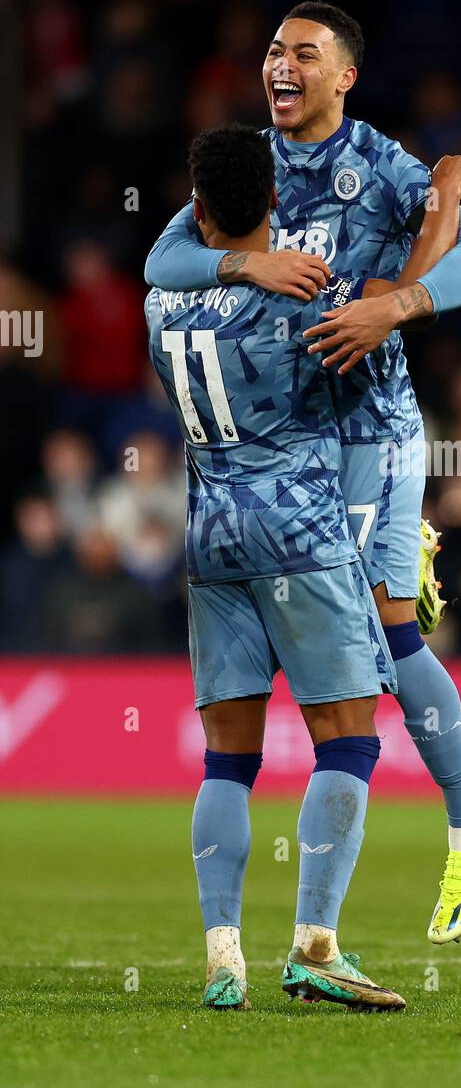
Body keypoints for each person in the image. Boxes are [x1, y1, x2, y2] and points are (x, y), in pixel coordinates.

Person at [145, 2, 461, 946]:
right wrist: (245, 263)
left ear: (343, 76)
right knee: (381, 641)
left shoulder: (378, 166)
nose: (281, 64)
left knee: (387, 635)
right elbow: (165, 257)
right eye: (273, 49)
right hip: (291, 446)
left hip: (369, 434)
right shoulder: (249, 170)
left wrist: (400, 307)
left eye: (303, 53)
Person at [146, 123, 405, 1012]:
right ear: (275, 199)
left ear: (196, 202)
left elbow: (166, 255)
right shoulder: (306, 298)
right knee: (348, 739)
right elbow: (380, 369)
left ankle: (224, 959)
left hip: (209, 532)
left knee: (228, 759)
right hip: (299, 531)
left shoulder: (161, 300)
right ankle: (315, 948)